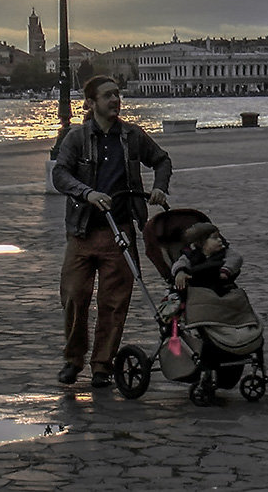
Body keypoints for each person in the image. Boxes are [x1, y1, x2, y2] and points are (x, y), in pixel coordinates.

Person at [52, 75, 172, 389]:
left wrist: (159, 187)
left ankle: (102, 365)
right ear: (90, 103)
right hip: (82, 232)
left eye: (117, 94)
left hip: (119, 231)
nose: (115, 100)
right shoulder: (76, 138)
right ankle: (73, 360)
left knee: (114, 303)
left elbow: (161, 160)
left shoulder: (132, 136)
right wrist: (86, 193)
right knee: (75, 297)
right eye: (108, 96)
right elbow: (60, 175)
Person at [172, 222, 241, 294]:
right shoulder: (191, 255)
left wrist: (226, 270)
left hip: (223, 287)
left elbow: (235, 259)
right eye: (215, 238)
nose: (219, 240)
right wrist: (180, 272)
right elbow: (180, 263)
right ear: (201, 242)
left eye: (219, 237)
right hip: (198, 290)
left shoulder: (225, 252)